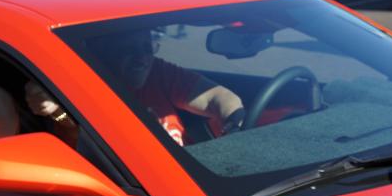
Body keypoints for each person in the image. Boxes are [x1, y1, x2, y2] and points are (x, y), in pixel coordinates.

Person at [26, 30, 244, 147]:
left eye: (147, 48)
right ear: (102, 54)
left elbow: (219, 97)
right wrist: (56, 112)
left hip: (192, 179)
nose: (142, 58)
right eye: (128, 50)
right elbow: (71, 125)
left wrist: (233, 131)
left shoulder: (157, 72)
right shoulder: (86, 86)